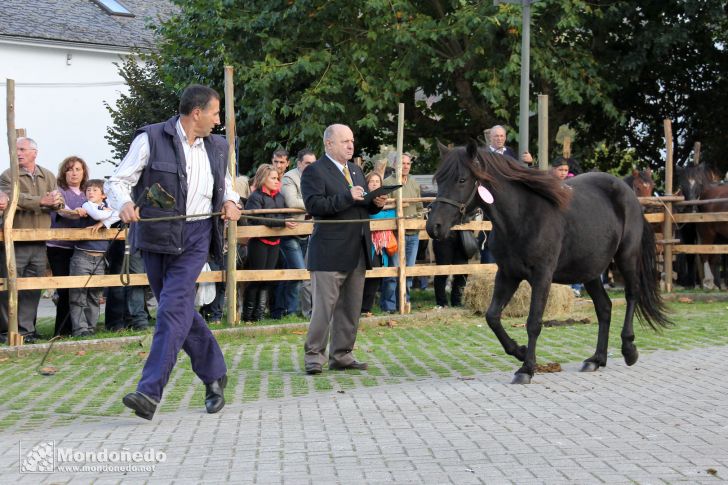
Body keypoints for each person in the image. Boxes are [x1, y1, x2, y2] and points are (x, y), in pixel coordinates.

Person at [105, 84, 241, 420]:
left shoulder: (218, 146)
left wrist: (230, 201)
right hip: (155, 236)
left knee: (170, 309)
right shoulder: (150, 139)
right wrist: (123, 203)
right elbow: (118, 181)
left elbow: (225, 186)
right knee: (178, 310)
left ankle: (149, 392)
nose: (218, 119)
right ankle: (214, 375)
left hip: (195, 236)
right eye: (215, 112)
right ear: (197, 113)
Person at [301, 123, 387, 375]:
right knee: (324, 309)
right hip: (329, 251)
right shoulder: (315, 172)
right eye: (344, 141)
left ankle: (342, 355)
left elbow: (361, 207)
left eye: (352, 140)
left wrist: (376, 203)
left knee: (350, 308)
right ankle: (314, 357)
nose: (350, 145)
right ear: (329, 144)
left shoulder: (356, 170)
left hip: (358, 250)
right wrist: (348, 196)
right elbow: (315, 205)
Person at [0, 137, 64, 343]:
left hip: (39, 242)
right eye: (16, 149)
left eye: (22, 149)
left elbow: (57, 200)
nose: (18, 153)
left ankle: (26, 331)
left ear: (34, 152)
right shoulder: (8, 175)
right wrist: (41, 201)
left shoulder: (48, 175)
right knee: (9, 288)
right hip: (14, 242)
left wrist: (55, 202)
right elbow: (13, 199)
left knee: (33, 289)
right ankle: (5, 332)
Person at [241, 164, 293, 321]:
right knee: (256, 279)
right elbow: (256, 219)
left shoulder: (280, 197)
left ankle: (260, 315)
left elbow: (285, 215)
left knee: (267, 280)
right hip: (259, 243)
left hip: (275, 242)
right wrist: (281, 223)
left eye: (278, 178)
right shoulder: (255, 197)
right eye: (273, 178)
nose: (277, 181)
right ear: (264, 179)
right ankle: (248, 316)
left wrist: (283, 222)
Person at [68, 179, 120, 337]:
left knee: (94, 296)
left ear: (103, 195)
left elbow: (119, 214)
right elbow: (97, 214)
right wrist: (107, 217)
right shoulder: (86, 206)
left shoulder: (107, 207)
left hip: (100, 259)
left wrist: (104, 223)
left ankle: (91, 328)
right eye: (88, 190)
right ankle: (80, 329)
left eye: (95, 190)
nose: (90, 193)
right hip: (82, 256)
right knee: (78, 295)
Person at [46, 156, 90, 336]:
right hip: (59, 247)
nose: (74, 173)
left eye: (78, 169)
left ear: (84, 172)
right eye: (70, 169)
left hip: (81, 248)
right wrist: (79, 213)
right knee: (64, 289)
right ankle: (62, 331)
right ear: (64, 172)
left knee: (78, 289)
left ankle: (79, 327)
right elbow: (61, 210)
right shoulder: (58, 191)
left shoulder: (88, 192)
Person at [273, 148, 316, 319]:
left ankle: (283, 310)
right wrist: (315, 203)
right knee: (298, 271)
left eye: (313, 163)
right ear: (299, 163)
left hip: (307, 231)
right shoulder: (290, 177)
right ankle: (288, 310)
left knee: (294, 272)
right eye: (307, 163)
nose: (311, 166)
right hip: (290, 231)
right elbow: (291, 201)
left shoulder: (315, 178)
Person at [384, 152, 424, 303]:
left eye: (408, 163)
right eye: (402, 163)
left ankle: (404, 301)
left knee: (409, 270)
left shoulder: (414, 183)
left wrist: (418, 220)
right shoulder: (388, 183)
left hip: (413, 234)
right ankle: (390, 304)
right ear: (394, 165)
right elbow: (385, 208)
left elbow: (420, 207)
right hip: (394, 233)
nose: (406, 166)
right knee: (393, 270)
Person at [361, 172, 397, 314]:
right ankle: (358, 307)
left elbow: (392, 215)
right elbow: (371, 214)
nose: (375, 183)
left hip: (381, 245)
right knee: (363, 275)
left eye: (377, 181)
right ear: (367, 183)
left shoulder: (386, 200)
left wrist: (381, 213)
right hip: (365, 243)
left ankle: (366, 308)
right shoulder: (364, 199)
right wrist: (381, 213)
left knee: (376, 274)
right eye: (372, 181)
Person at [432, 233, 468, 309]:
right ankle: (441, 303)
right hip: (443, 235)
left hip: (462, 236)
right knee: (442, 271)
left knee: (462, 271)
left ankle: (457, 301)